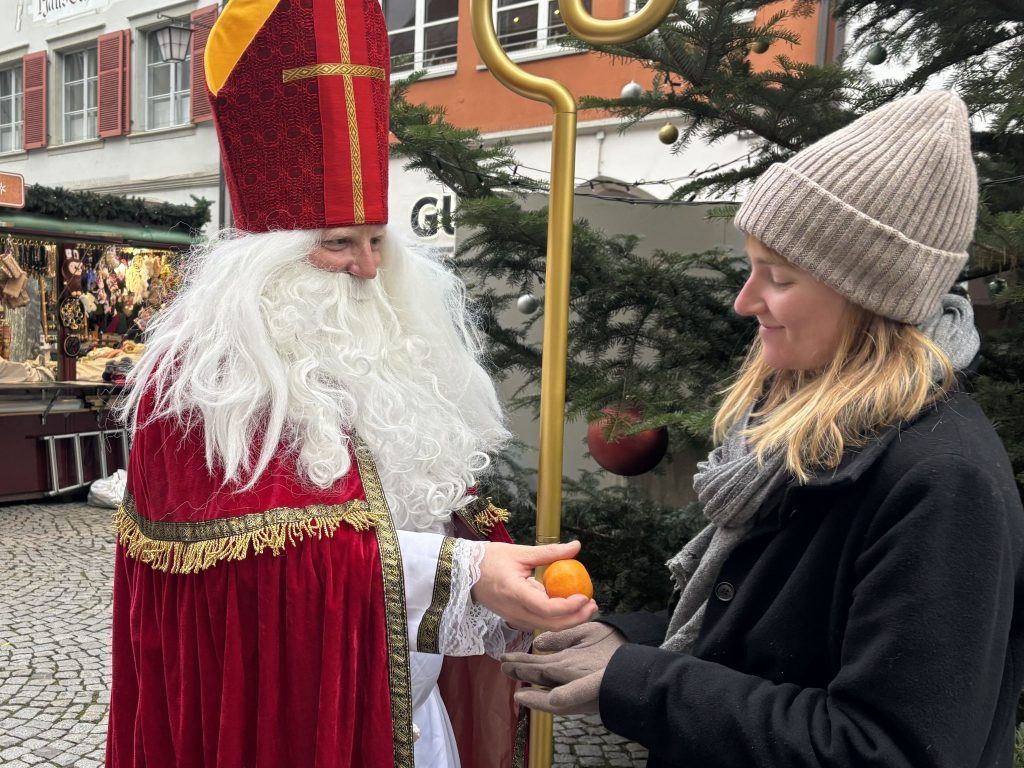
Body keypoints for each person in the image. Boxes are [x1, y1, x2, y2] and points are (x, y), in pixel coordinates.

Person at [104, 1, 596, 766]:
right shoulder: (203, 379)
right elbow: (256, 587)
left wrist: (501, 568)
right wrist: (465, 575)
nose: (369, 269)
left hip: (415, 721)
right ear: (266, 256)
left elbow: (434, 510)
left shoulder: (393, 343)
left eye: (375, 241)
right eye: (338, 244)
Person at [501, 90, 1024, 767]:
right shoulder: (811, 432)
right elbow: (765, 644)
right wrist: (627, 646)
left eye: (777, 278)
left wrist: (639, 683)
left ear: (870, 297)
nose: (745, 301)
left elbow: (888, 749)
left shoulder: (940, 482)